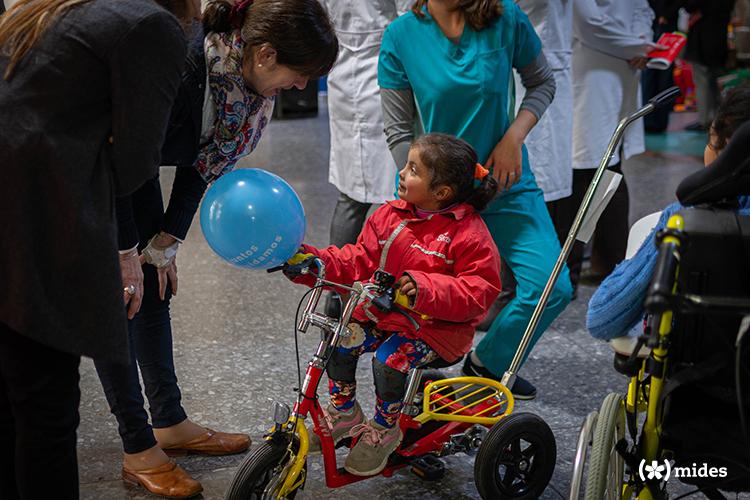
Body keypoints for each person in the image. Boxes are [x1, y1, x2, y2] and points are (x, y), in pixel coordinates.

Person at [92, 1, 338, 497]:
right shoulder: (179, 65)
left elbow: (200, 165)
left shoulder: (241, 86)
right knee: (118, 296)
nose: (301, 88)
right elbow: (117, 156)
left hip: (131, 156)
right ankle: (137, 446)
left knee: (153, 281)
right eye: (299, 74)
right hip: (86, 159)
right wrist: (123, 252)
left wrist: (166, 240)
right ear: (266, 54)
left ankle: (168, 422)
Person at [0, 0, 192, 496]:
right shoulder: (153, 26)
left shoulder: (59, 10)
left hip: (20, 202)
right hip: (33, 220)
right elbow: (135, 165)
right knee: (47, 410)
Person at [379, 0, 572, 400]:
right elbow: (398, 130)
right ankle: (413, 396)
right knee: (427, 300)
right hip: (439, 199)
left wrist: (513, 138)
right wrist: (424, 190)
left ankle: (487, 364)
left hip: (504, 181)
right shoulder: (401, 36)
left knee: (552, 287)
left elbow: (542, 83)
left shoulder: (505, 18)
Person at [287, 133, 501, 476]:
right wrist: (315, 263)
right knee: (340, 337)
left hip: (436, 331)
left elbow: (479, 293)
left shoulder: (469, 234)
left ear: (441, 193)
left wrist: (424, 289)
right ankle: (345, 413)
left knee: (391, 359)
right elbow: (357, 259)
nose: (402, 173)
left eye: (413, 169)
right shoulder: (389, 216)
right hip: (382, 316)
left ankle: (385, 429)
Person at [588, 86, 750, 341]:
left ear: (728, 151)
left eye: (709, 140)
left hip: (698, 371)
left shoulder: (684, 221)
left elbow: (601, 319)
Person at [320, 0, 410, 316]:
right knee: (400, 196)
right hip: (391, 75)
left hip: (344, 70)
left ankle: (336, 290)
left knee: (351, 196)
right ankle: (386, 290)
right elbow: (410, 18)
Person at [566, 0, 655, 291]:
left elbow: (589, 23)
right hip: (615, 65)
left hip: (599, 69)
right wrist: (639, 46)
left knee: (590, 168)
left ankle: (573, 268)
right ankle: (608, 262)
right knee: (605, 163)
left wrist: (639, 46)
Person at [682, 0, 735, 132]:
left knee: (702, 81)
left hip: (701, 41)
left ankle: (704, 120)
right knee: (716, 83)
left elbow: (690, 5)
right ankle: (719, 118)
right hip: (720, 40)